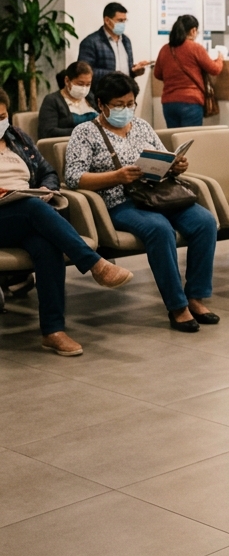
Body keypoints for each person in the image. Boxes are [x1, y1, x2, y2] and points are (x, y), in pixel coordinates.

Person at [63, 71, 220, 332]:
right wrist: (117, 176)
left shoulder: (142, 126)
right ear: (101, 104)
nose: (126, 110)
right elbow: (74, 177)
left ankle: (196, 296)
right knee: (159, 229)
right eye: (118, 105)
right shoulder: (85, 132)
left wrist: (174, 165)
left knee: (205, 221)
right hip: (119, 202)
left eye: (130, 104)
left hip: (159, 195)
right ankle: (177, 306)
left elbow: (162, 156)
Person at [0, 88, 133, 356]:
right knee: (33, 209)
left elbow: (47, 171)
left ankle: (53, 331)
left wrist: (48, 189)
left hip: (24, 211)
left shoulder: (18, 139)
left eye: (2, 115)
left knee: (45, 245)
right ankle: (95, 264)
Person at [153, 15, 224, 128]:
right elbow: (215, 69)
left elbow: (157, 74)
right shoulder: (195, 48)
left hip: (168, 103)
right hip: (191, 101)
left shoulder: (165, 49)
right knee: (190, 140)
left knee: (175, 140)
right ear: (193, 30)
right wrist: (220, 59)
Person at [77, 2, 149, 88]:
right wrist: (114, 74)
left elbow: (126, 72)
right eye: (120, 21)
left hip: (125, 91)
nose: (123, 24)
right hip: (103, 93)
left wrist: (134, 71)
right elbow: (84, 72)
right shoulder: (91, 42)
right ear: (107, 20)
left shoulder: (126, 41)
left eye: (124, 20)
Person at [37, 61, 98, 138]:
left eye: (88, 84)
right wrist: (83, 132)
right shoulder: (52, 100)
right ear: (67, 81)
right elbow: (47, 132)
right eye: (80, 84)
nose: (84, 88)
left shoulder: (90, 98)